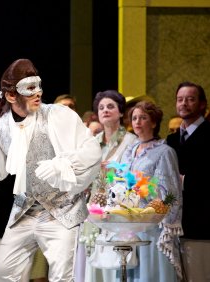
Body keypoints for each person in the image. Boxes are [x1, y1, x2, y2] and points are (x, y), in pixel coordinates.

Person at [0, 58, 102, 281]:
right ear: (10, 95)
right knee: (3, 273)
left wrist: (62, 164)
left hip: (61, 209)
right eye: (29, 88)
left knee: (62, 276)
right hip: (24, 209)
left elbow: (91, 150)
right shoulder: (0, 125)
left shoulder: (59, 115)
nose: (37, 92)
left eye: (38, 85)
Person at [166, 81, 210, 282]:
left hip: (201, 223)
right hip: (172, 223)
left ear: (202, 104)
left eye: (190, 99)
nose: (184, 103)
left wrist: (187, 181)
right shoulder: (170, 140)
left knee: (200, 278)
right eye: (180, 99)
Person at [76, 90, 137, 282]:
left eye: (111, 106)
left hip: (118, 210)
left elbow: (134, 177)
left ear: (120, 112)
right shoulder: (92, 142)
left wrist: (112, 171)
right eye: (101, 107)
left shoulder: (131, 141)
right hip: (92, 209)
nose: (105, 110)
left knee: (114, 263)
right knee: (92, 264)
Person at [119, 100, 183, 281]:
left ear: (154, 123)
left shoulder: (164, 151)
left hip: (152, 226)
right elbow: (119, 182)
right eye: (134, 118)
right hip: (129, 225)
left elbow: (170, 192)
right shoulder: (129, 151)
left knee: (151, 274)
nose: (137, 122)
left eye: (143, 118)